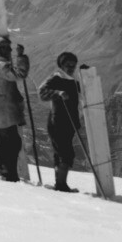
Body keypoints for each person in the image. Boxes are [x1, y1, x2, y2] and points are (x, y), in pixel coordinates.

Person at [0, 35, 29, 182]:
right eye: (8, 48)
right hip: (4, 114)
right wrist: (21, 57)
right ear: (2, 50)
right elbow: (20, 74)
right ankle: (10, 175)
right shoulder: (2, 67)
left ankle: (4, 173)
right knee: (13, 144)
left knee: (1, 145)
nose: (10, 51)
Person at [38, 51, 83, 192]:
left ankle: (60, 185)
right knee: (66, 154)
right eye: (68, 65)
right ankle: (61, 185)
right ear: (61, 65)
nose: (71, 68)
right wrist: (58, 93)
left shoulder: (73, 81)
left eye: (73, 66)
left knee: (61, 154)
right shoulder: (56, 78)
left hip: (68, 124)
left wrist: (86, 73)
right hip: (57, 123)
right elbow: (42, 93)